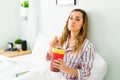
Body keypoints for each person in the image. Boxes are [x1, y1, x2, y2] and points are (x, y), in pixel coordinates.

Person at [46, 8, 94, 80]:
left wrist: (65, 68)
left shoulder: (87, 46)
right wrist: (51, 46)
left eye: (77, 19)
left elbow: (85, 73)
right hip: (56, 76)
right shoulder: (61, 39)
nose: (72, 21)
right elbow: (48, 59)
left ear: (83, 24)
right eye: (71, 18)